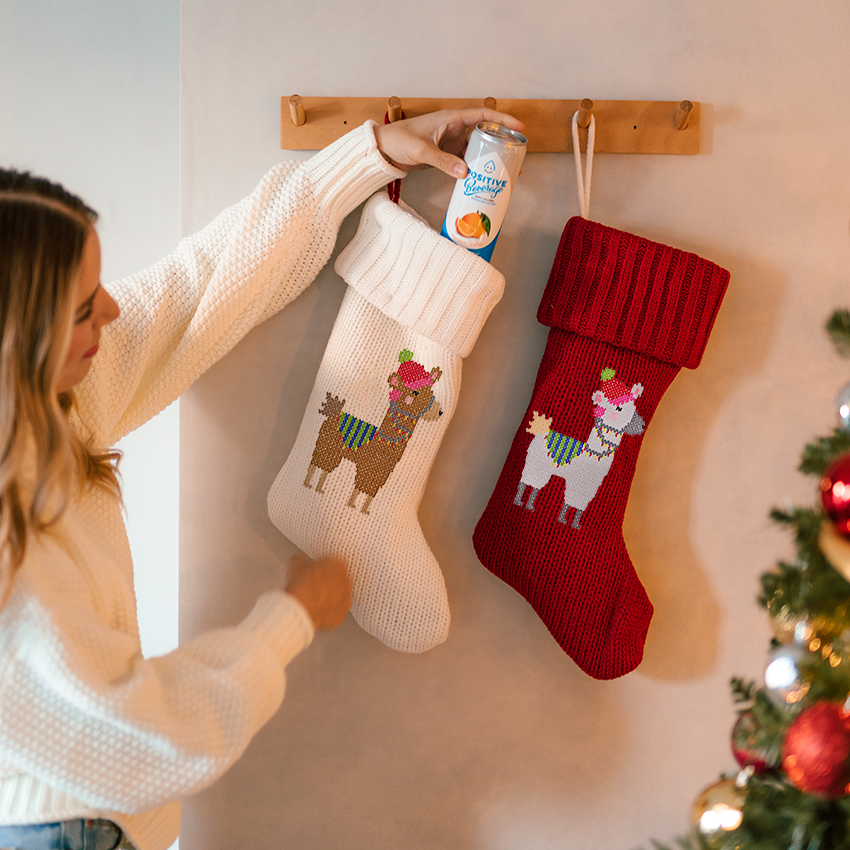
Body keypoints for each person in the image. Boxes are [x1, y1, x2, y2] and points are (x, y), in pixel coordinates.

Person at [0, 107, 524, 850]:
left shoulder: (58, 399)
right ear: (18, 338)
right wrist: (289, 618)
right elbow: (136, 737)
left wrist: (366, 155)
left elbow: (207, 283)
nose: (111, 311)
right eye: (85, 307)